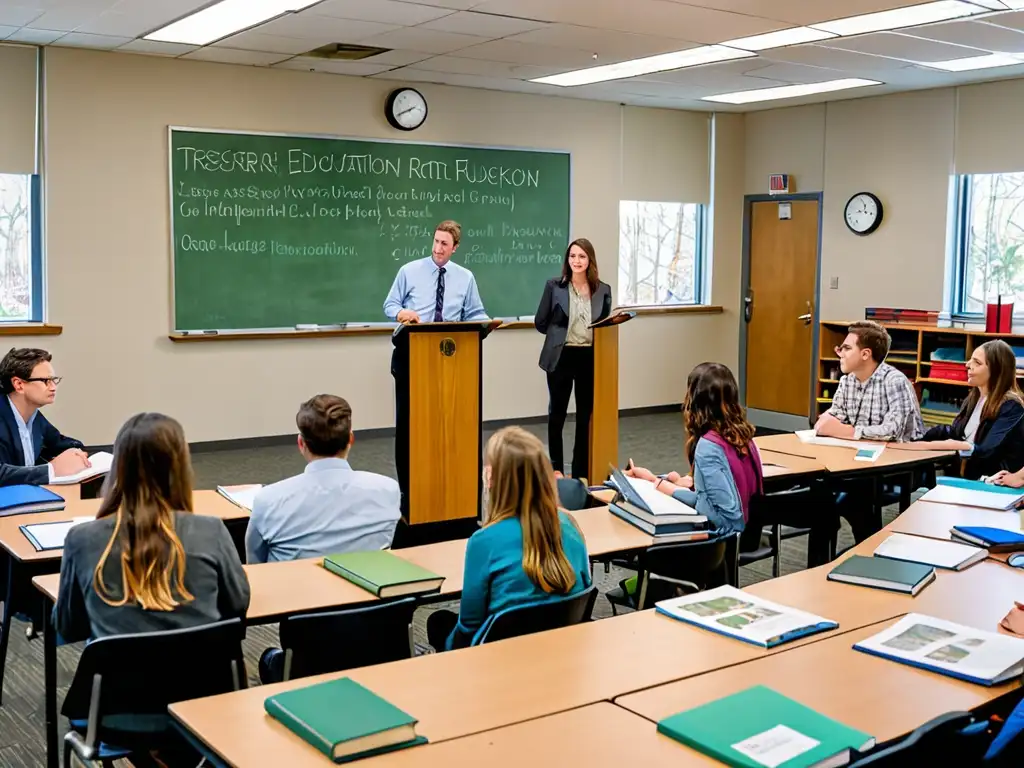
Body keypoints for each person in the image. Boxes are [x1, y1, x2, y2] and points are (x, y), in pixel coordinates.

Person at [53, 413, 250, 767]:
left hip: (115, 715)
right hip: (205, 705)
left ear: (118, 469)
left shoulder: (83, 540)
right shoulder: (211, 530)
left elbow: (67, 628)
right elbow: (237, 605)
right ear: (181, 466)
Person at [425, 426, 592, 651]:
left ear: (494, 480)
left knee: (439, 621)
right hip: (561, 650)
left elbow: (469, 626)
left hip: (497, 659)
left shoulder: (484, 541)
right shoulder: (571, 526)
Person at [382, 220, 488, 515]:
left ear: (455, 248)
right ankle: (409, 498)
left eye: (444, 244)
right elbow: (389, 305)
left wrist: (486, 322)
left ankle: (453, 493)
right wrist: (403, 312)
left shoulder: (465, 278)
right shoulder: (409, 271)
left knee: (450, 424)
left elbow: (476, 312)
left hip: (451, 359)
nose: (438, 248)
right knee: (410, 427)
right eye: (436, 241)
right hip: (411, 354)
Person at [247, 394, 400, 563]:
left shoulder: (268, 500)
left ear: (301, 444)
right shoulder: (389, 490)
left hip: (295, 588)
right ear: (351, 439)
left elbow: (255, 566)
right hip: (365, 587)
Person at [624, 363, 759, 538]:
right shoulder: (745, 438)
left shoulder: (708, 446)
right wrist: (664, 481)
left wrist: (663, 486)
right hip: (750, 534)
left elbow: (723, 514)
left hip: (722, 541)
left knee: (641, 522)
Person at [534, 238, 613, 480]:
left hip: (588, 357)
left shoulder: (603, 290)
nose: (576, 261)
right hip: (561, 356)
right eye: (572, 256)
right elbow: (540, 322)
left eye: (581, 256)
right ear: (567, 260)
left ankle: (581, 471)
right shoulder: (554, 286)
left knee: (584, 416)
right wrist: (559, 331)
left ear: (590, 260)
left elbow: (605, 325)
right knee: (556, 415)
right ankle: (556, 470)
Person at [892, 340, 1024, 480]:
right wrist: (914, 437)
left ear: (996, 371)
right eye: (970, 361)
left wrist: (953, 445)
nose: (967, 365)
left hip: (994, 480)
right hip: (970, 475)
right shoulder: (974, 398)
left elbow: (986, 452)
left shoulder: (1011, 406)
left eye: (977, 363)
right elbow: (956, 432)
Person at [815, 320, 924, 442]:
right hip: (863, 448)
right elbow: (836, 416)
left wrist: (849, 432)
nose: (841, 354)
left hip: (904, 452)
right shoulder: (846, 382)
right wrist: (826, 420)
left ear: (865, 354)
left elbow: (894, 431)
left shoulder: (894, 381)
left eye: (847, 348)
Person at [0, 347, 90, 483]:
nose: (53, 387)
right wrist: (51, 470)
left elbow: (59, 443)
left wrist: (76, 453)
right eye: (45, 381)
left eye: (54, 380)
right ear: (19, 384)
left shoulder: (34, 416)